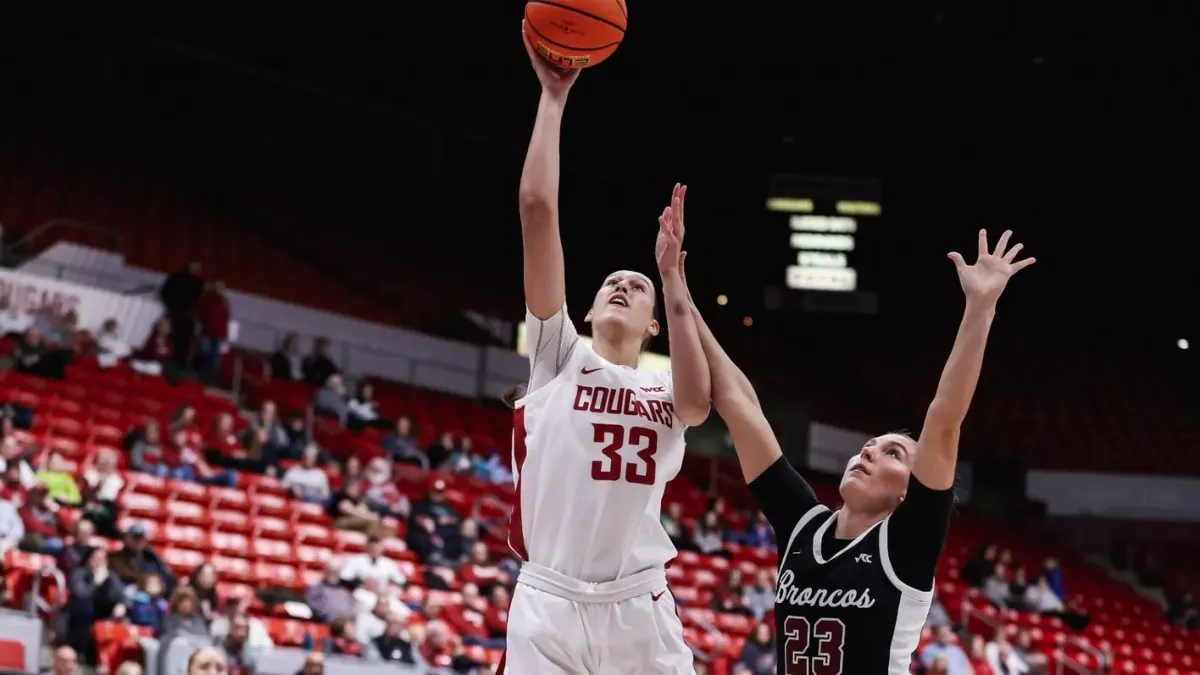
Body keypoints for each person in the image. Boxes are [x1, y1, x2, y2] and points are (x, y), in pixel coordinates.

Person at [688, 230, 1034, 673]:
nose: (867, 452)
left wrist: (981, 307)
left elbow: (944, 419)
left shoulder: (907, 543)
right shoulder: (802, 527)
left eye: (893, 453)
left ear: (909, 492)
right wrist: (681, 296)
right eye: (868, 446)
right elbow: (740, 406)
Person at [496, 24, 712, 675]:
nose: (622, 283)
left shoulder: (665, 393)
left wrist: (672, 275)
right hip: (549, 601)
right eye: (610, 282)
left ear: (653, 325)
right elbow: (537, 208)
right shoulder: (559, 355)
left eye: (635, 285)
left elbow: (700, 401)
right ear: (585, 310)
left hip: (637, 604)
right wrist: (553, 99)